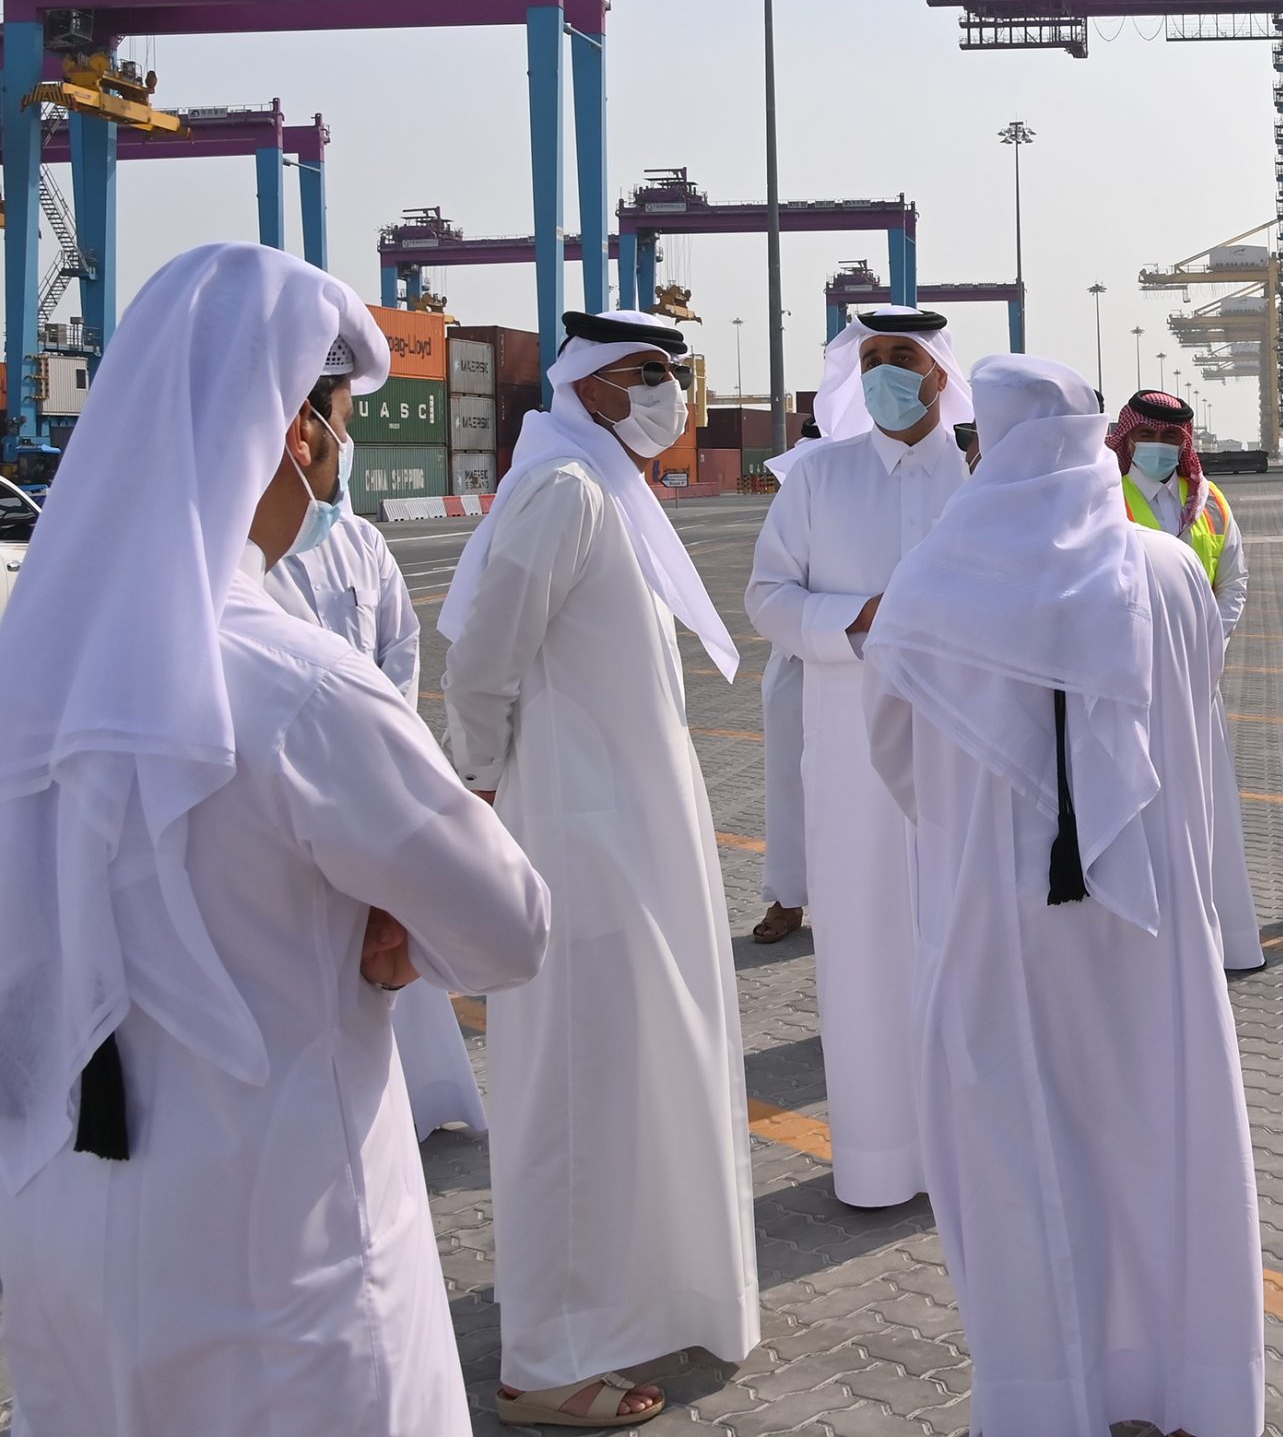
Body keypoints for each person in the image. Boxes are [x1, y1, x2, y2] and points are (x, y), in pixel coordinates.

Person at [0, 243, 551, 1437]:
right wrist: (406, 919)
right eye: (342, 419)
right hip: (277, 1248)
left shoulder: (26, 680)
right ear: (298, 433)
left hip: (57, 1237)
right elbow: (507, 926)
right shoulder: (303, 685)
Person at [865, 356, 1264, 1436]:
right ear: (1096, 439)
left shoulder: (929, 585)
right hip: (1154, 924)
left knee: (1017, 1160)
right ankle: (1191, 1389)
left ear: (983, 445)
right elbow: (1197, 716)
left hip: (996, 925)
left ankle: (1048, 1404)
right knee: (1161, 1137)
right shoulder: (1171, 570)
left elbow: (896, 762)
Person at [440, 310, 759, 1428]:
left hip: (633, 833)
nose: (670, 391)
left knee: (635, 1069)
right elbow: (481, 661)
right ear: (589, 387)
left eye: (670, 371)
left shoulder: (606, 492)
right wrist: (472, 791)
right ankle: (547, 1360)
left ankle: (633, 1300)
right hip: (578, 837)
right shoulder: (564, 492)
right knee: (575, 1084)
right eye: (647, 373)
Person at [743, 306, 971, 1208]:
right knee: (868, 948)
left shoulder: (983, 476)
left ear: (940, 373)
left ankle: (971, 1157)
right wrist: (854, 618)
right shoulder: (817, 477)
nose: (883, 372)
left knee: (966, 941)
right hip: (850, 754)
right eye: (869, 358)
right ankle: (879, 1161)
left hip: (966, 746)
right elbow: (767, 595)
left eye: (900, 357)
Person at [271, 480, 490, 1139]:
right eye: (338, 415)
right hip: (293, 785)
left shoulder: (361, 540)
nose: (345, 435)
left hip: (372, 770)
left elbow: (401, 645)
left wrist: (374, 736)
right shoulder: (249, 549)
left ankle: (420, 1106)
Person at [1108, 387, 1264, 971]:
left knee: (1205, 809)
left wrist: (1206, 648)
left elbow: (1234, 581)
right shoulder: (1104, 496)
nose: (1159, 447)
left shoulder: (1210, 500)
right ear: (1127, 438)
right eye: (1147, 436)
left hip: (1197, 683)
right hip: (1127, 685)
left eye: (1171, 438)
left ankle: (1216, 945)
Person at [749, 416, 827, 947]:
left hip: (885, 664)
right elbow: (774, 583)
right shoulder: (810, 471)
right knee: (789, 786)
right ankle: (787, 896)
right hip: (802, 659)